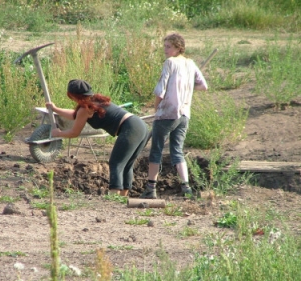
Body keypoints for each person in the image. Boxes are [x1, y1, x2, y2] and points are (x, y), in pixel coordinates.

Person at [46, 79, 149, 196]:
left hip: (130, 128)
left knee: (116, 163)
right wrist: (55, 109)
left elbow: (74, 132)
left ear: (73, 96)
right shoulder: (94, 101)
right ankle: (122, 197)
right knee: (126, 164)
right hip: (140, 126)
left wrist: (58, 133)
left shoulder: (85, 108)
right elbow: (75, 115)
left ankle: (114, 196)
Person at [140, 33, 208, 199]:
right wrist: (186, 86)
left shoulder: (170, 62)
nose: (165, 50)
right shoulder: (190, 63)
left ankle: (151, 189)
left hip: (167, 114)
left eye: (168, 46)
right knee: (177, 151)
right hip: (184, 114)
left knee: (155, 151)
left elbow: (160, 90)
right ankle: (186, 188)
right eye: (165, 46)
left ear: (179, 48)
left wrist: (157, 108)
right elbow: (203, 86)